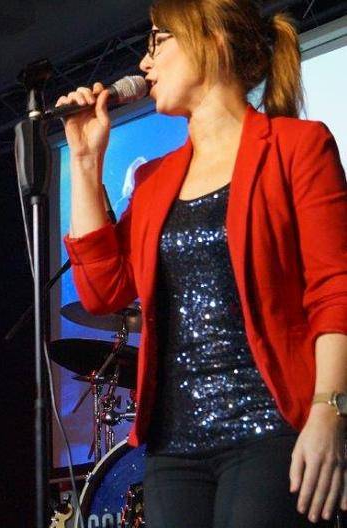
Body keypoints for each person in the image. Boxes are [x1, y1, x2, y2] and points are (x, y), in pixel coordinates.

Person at [60, 0, 347, 526]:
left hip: (271, 428)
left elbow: (336, 290)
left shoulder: (297, 147)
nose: (144, 62)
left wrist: (330, 412)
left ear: (210, 40)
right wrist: (83, 161)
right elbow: (103, 292)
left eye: (157, 40)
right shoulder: (153, 181)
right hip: (174, 446)